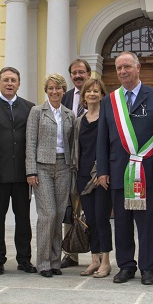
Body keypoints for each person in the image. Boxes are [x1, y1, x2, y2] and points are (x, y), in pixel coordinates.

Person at [97, 51, 153, 286]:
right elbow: (103, 138)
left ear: (137, 68)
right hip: (118, 171)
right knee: (121, 222)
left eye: (127, 66)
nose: (122, 71)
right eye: (119, 68)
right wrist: (102, 171)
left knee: (146, 223)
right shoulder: (110, 100)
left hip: (146, 172)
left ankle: (148, 268)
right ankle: (126, 266)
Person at [0, 68, 37, 275]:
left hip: (23, 175)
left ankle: (24, 259)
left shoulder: (29, 108)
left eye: (13, 80)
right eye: (5, 80)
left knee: (23, 219)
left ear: (19, 84)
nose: (9, 83)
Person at [26, 73, 75, 277]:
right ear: (46, 91)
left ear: (64, 90)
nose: (54, 92)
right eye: (50, 88)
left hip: (64, 166)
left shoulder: (69, 114)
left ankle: (55, 261)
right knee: (48, 215)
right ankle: (43, 262)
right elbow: (30, 142)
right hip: (42, 166)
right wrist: (31, 170)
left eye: (58, 88)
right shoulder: (37, 111)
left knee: (59, 215)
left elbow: (72, 143)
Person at [71, 78, 112, 278]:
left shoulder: (107, 118)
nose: (92, 94)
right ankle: (94, 260)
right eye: (89, 91)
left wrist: (102, 171)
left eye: (97, 91)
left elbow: (110, 148)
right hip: (83, 176)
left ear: (102, 95)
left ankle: (106, 261)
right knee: (91, 221)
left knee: (102, 219)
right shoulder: (79, 121)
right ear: (84, 96)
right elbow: (77, 151)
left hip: (101, 177)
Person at [61, 58, 91, 268]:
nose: (78, 76)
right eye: (74, 73)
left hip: (92, 161)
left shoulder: (99, 95)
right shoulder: (65, 97)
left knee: (93, 209)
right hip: (69, 162)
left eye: (81, 72)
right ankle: (71, 254)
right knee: (70, 208)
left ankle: (97, 254)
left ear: (89, 74)